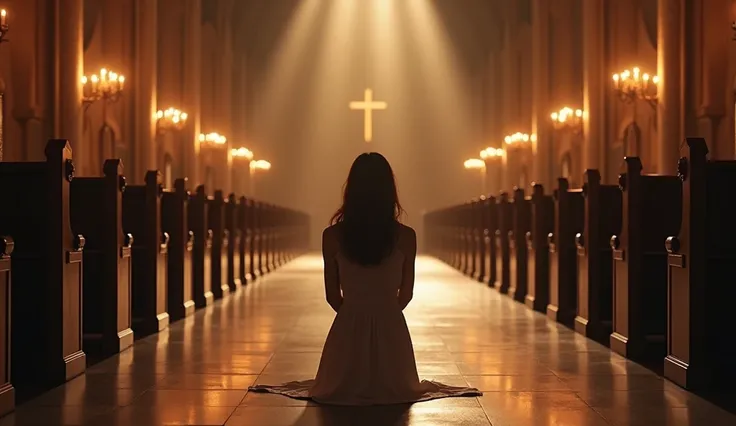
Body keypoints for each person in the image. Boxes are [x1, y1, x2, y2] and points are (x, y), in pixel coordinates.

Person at [249, 152, 481, 405]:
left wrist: (355, 311)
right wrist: (384, 311)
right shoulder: (406, 237)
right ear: (389, 191)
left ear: (351, 190)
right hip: (392, 327)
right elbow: (406, 294)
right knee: (397, 389)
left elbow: (332, 296)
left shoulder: (332, 236)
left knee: (334, 387)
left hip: (347, 327)